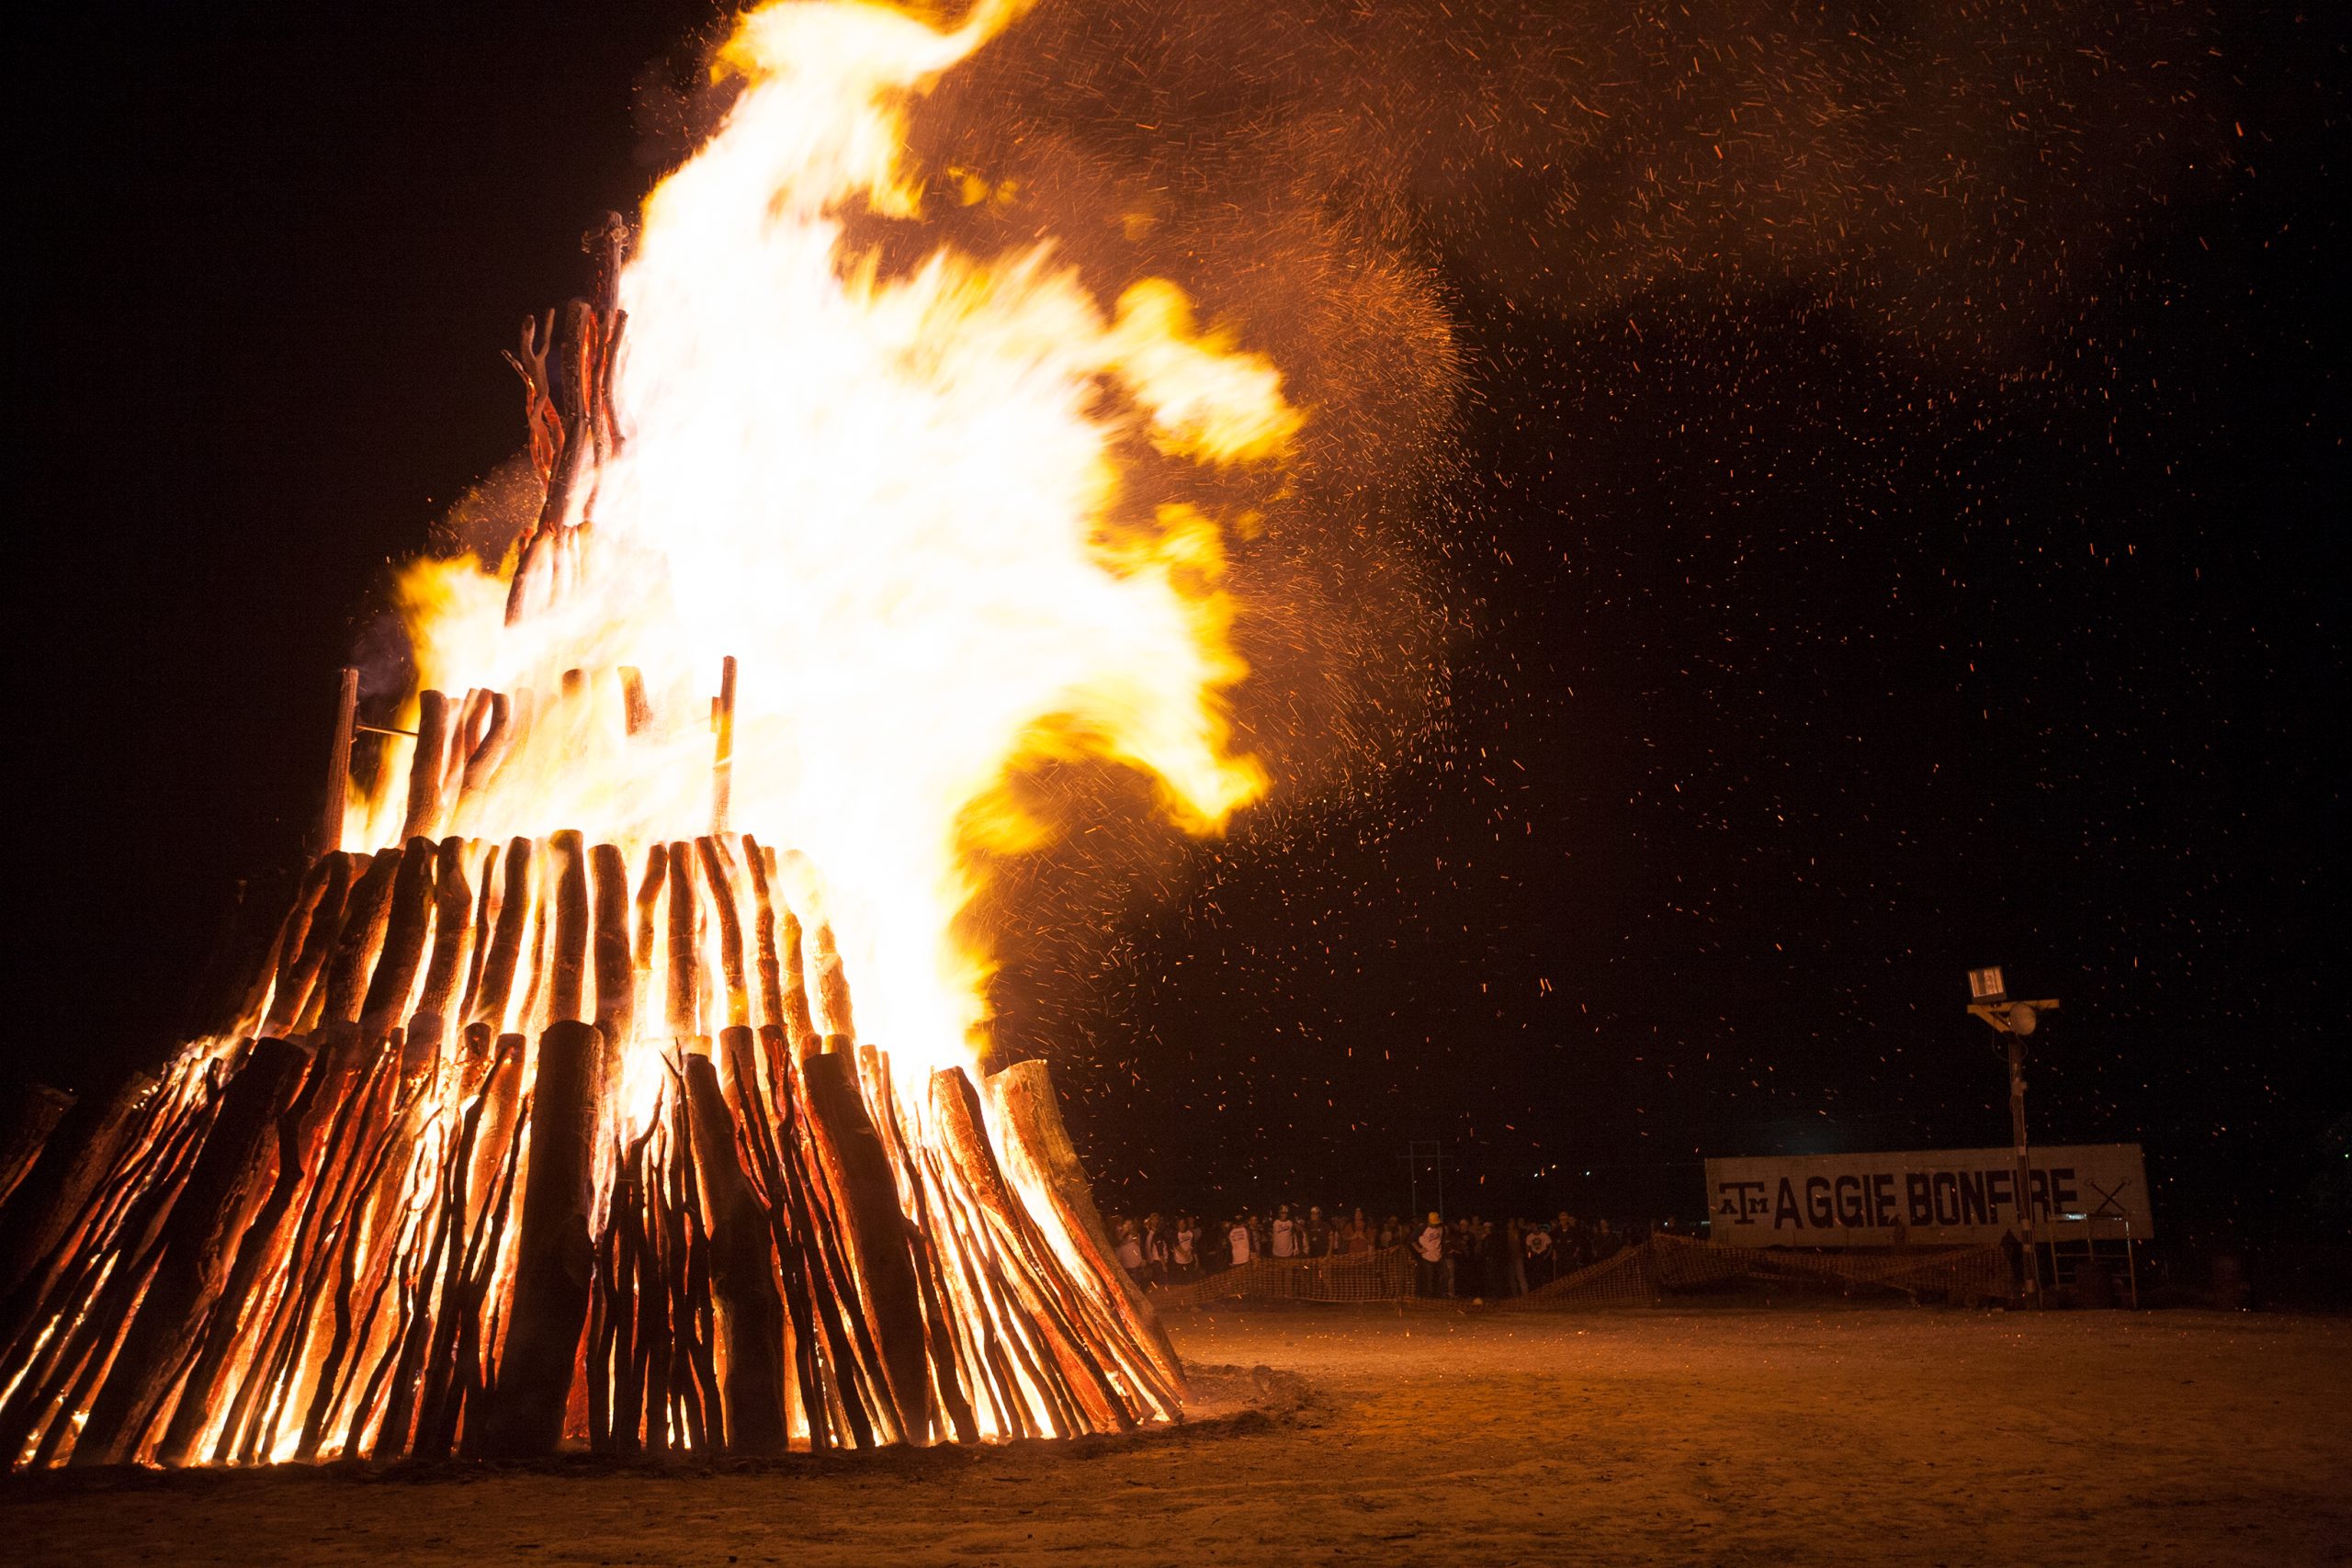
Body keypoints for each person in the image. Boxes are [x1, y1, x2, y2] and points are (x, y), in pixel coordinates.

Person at [1413, 1212, 1447, 1297]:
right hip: (1427, 1257)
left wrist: (1441, 1250)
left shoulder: (1441, 1228)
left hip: (1439, 1255)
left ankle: (1440, 1294)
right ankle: (1428, 1296)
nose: (1434, 1225)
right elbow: (1411, 1239)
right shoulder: (1422, 1228)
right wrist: (1418, 1249)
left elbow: (1442, 1239)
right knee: (1429, 1278)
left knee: (1445, 1275)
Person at [1524, 1222, 1555, 1287]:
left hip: (1543, 1255)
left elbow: (1551, 1245)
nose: (1533, 1228)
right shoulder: (1529, 1237)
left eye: (1534, 1226)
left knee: (1545, 1273)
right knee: (1536, 1274)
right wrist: (1529, 1257)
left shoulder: (1544, 1235)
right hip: (1535, 1256)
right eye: (1532, 1227)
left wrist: (1547, 1255)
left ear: (1537, 1226)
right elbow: (1528, 1249)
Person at [1172, 1215, 1199, 1281]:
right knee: (1181, 1280)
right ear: (1177, 1225)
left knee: (1191, 1279)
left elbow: (1193, 1246)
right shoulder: (1175, 1234)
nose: (1182, 1225)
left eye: (1183, 1223)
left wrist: (1197, 1259)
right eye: (1180, 1224)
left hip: (1190, 1260)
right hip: (1179, 1261)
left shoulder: (1190, 1233)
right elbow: (1177, 1245)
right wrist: (1184, 1254)